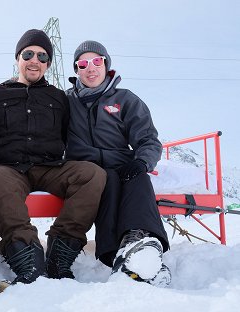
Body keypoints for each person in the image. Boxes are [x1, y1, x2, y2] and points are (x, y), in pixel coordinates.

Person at [0, 29, 107, 285]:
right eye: (28, 54)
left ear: (48, 64)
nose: (35, 60)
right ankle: (25, 252)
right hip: (10, 168)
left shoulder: (59, 97)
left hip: (51, 167)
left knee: (92, 174)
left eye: (42, 56)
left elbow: (76, 129)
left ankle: (61, 251)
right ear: (18, 58)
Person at [65, 40, 171, 287]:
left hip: (121, 162)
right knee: (106, 180)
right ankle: (117, 255)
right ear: (76, 70)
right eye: (83, 64)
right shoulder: (67, 101)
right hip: (86, 168)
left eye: (96, 61)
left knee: (137, 177)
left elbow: (148, 139)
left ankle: (141, 240)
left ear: (106, 64)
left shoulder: (125, 99)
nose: (90, 68)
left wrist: (142, 161)